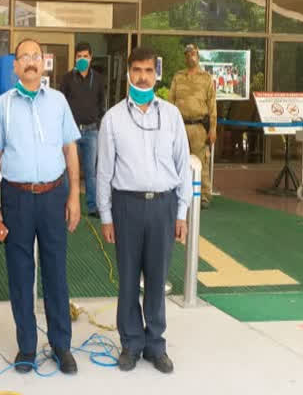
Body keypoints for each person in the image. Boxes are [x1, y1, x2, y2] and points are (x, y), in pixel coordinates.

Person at [0, 38, 82, 375]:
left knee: (56, 273)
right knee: (21, 275)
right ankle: (26, 346)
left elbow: (70, 150)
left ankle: (61, 346)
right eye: (23, 56)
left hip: (55, 196)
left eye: (35, 56)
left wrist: (74, 196)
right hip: (17, 198)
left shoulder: (58, 102)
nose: (29, 62)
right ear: (15, 65)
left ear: (44, 63)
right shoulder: (3, 106)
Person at [97, 46, 192, 374]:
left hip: (163, 207)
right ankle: (131, 343)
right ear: (128, 73)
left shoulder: (172, 116)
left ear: (156, 74)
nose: (142, 76)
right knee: (127, 279)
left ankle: (155, 344)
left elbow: (184, 166)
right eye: (136, 70)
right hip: (127, 207)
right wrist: (106, 215)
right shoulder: (113, 119)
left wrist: (182, 212)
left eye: (148, 71)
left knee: (157, 277)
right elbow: (103, 172)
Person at [169, 43, 217, 208]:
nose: (191, 56)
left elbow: (212, 106)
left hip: (198, 127)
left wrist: (213, 129)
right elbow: (170, 102)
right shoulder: (178, 76)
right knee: (178, 160)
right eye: (188, 54)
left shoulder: (206, 78)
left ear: (198, 55)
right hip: (180, 126)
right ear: (185, 57)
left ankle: (203, 196)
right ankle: (178, 192)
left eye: (194, 53)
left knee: (200, 162)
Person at [60, 42, 105, 217]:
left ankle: (93, 207)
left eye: (85, 56)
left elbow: (102, 103)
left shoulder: (99, 79)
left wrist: (98, 122)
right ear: (75, 58)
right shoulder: (67, 79)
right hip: (71, 133)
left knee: (90, 171)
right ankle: (65, 204)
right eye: (79, 56)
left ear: (91, 58)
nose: (82, 59)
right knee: (67, 170)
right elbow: (60, 105)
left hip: (91, 132)